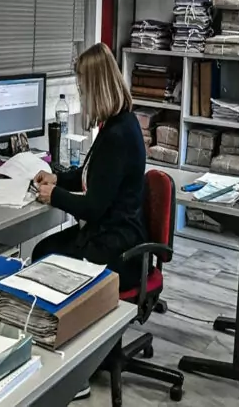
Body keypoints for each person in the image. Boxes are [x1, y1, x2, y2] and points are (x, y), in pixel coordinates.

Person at [33, 42, 147, 295]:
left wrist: (54, 195)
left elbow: (93, 207)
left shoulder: (118, 136)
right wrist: (57, 178)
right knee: (43, 251)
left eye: (84, 91)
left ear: (97, 90)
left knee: (43, 257)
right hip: (108, 233)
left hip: (118, 248)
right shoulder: (118, 123)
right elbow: (93, 175)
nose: (82, 98)